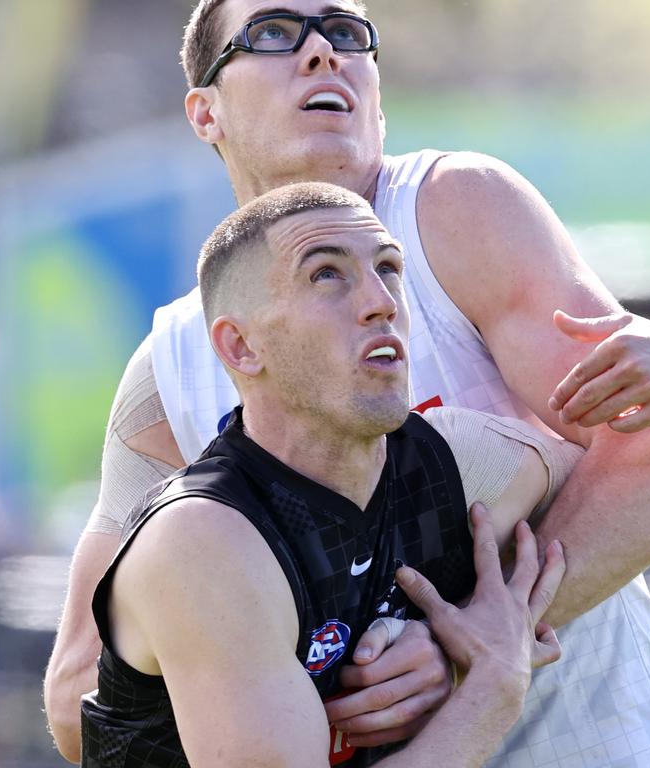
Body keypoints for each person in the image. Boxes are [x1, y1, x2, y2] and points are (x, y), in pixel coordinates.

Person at [45, 2, 650, 765]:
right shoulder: (171, 370)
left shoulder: (456, 209)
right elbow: (78, 696)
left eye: (347, 33)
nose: (322, 52)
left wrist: (461, 642)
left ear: (378, 100)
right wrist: (280, 682)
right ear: (204, 112)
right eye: (276, 33)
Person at [80, 182, 575, 767]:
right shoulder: (203, 541)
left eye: (389, 268)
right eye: (326, 275)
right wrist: (491, 685)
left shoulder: (456, 460)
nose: (382, 300)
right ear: (240, 347)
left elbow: (637, 479)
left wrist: (454, 635)